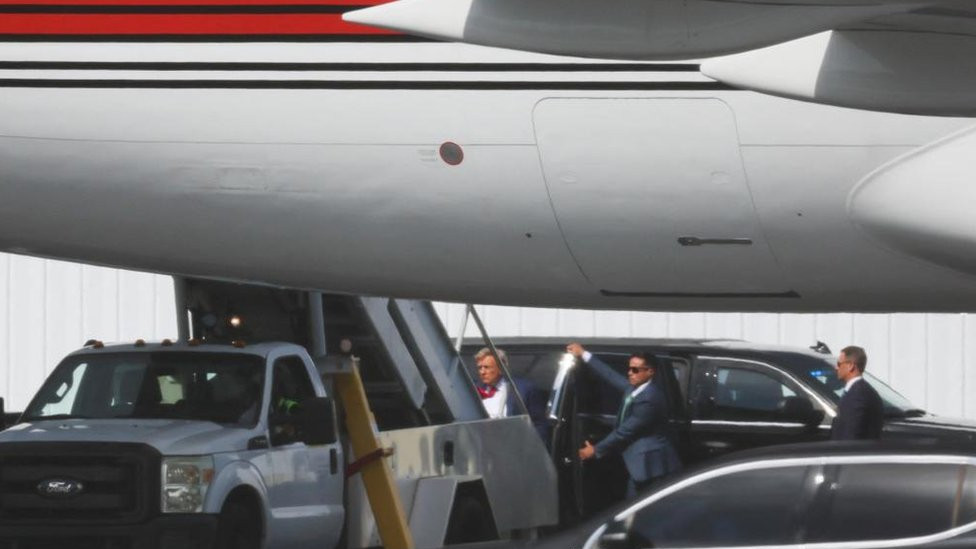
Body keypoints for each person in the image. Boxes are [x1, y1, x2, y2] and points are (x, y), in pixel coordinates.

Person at [568, 342, 681, 497]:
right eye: (629, 368)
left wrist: (595, 449)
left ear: (650, 372)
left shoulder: (650, 398)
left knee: (641, 506)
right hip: (639, 463)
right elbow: (609, 375)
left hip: (651, 466)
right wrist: (584, 354)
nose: (630, 373)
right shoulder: (634, 388)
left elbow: (625, 431)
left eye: (635, 370)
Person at [474, 347, 550, 444]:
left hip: (513, 447)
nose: (482, 372)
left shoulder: (523, 389)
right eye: (480, 368)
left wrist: (533, 448)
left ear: (501, 368)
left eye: (487, 367)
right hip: (481, 447)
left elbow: (538, 424)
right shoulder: (474, 390)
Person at [831, 345, 884, 440]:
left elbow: (851, 434)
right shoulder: (860, 391)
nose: (836, 368)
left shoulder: (858, 395)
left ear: (850, 366)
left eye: (839, 364)